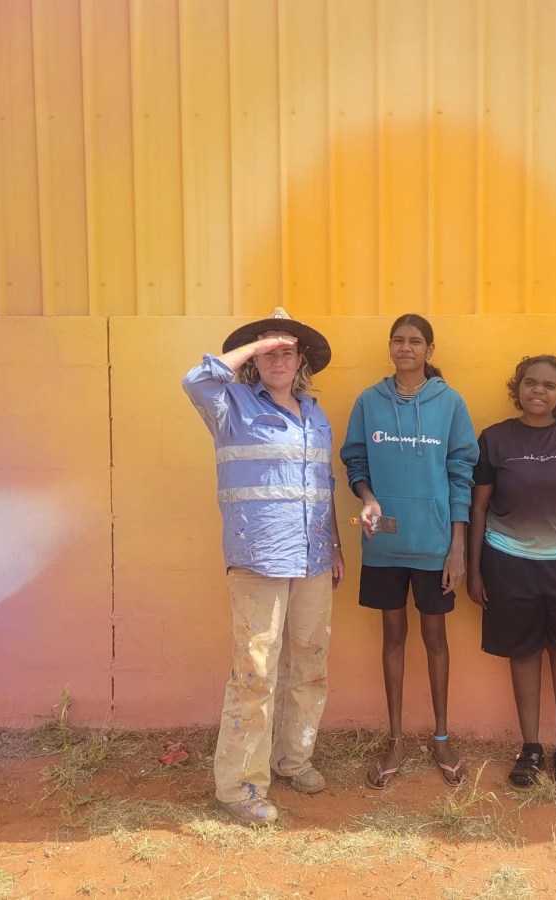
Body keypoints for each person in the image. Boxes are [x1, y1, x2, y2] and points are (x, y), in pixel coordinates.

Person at [181, 308, 344, 826]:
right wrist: (256, 342)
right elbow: (195, 378)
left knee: (310, 667)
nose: (278, 358)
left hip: (314, 558)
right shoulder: (230, 406)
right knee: (255, 674)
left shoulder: (316, 415)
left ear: (302, 363)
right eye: (269, 351)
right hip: (259, 560)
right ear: (254, 359)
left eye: (287, 351)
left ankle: (293, 760)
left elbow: (323, 487)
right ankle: (238, 788)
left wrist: (335, 545)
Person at [340, 314, 478, 788]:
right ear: (390, 348)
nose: (405, 348)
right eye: (398, 340)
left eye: (415, 341)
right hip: (384, 542)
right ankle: (396, 738)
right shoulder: (369, 402)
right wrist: (368, 497)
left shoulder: (449, 403)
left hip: (434, 544)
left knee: (435, 638)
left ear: (429, 350)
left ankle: (441, 736)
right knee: (393, 635)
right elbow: (354, 459)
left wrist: (456, 545)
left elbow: (462, 471)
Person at [466, 355, 556, 793]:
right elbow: (478, 507)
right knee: (524, 652)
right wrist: (475, 570)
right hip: (509, 563)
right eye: (530, 383)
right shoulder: (494, 439)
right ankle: (530, 748)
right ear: (518, 388)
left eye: (549, 385)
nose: (539, 391)